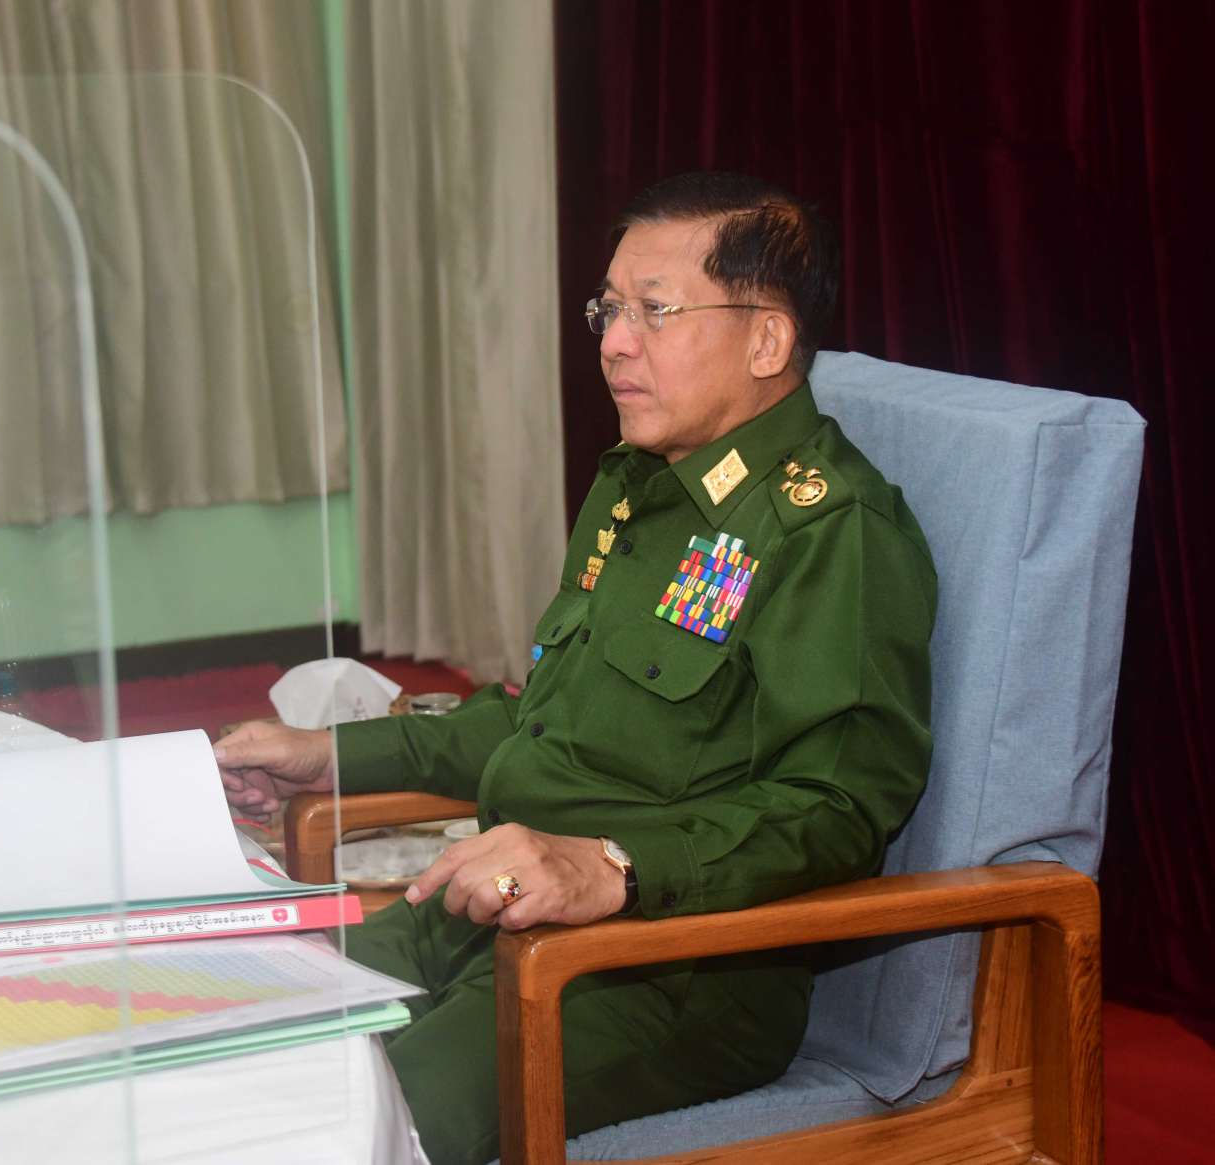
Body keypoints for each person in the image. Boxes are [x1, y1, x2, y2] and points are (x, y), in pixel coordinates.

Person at [218, 171, 937, 1165]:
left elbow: (839, 810)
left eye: (655, 311)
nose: (613, 342)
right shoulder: (637, 488)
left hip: (662, 974)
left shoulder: (830, 530)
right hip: (481, 915)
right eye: (609, 309)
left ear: (766, 341)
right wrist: (330, 752)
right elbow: (535, 721)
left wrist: (613, 865)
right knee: (231, 1037)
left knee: (340, 1132)